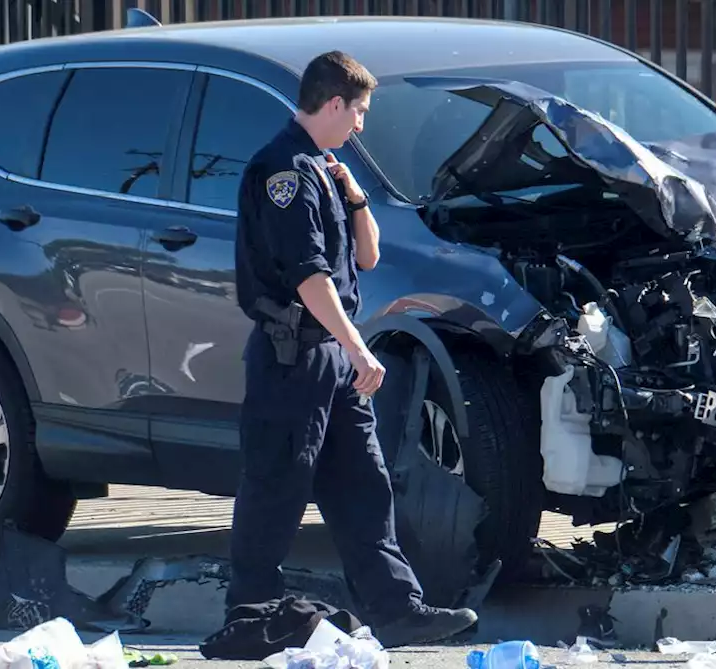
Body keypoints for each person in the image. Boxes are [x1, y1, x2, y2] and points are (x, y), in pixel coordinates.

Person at [226, 50, 479, 649]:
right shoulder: (281, 170)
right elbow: (310, 277)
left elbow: (366, 257)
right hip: (293, 358)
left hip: (332, 360)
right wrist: (360, 349)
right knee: (275, 487)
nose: (362, 124)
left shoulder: (323, 167)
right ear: (333, 103)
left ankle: (397, 610)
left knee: (365, 485)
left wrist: (357, 197)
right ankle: (249, 613)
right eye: (359, 111)